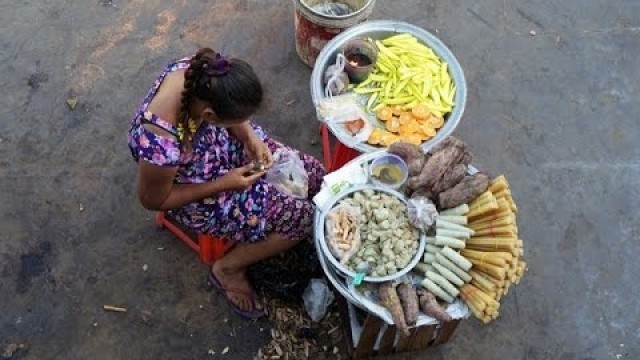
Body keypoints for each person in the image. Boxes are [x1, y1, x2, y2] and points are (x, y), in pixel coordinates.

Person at [127, 48, 326, 319]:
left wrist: (249, 138)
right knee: (303, 219)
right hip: (196, 191)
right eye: (235, 119)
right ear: (210, 117)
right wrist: (224, 184)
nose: (244, 123)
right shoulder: (159, 141)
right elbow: (152, 201)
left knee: (316, 175)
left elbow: (236, 116)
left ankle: (268, 213)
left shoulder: (208, 71)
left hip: (216, 149)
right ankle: (228, 269)